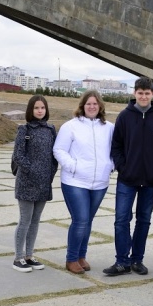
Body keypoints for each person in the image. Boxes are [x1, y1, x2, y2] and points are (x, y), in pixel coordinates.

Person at [105, 77, 153, 277]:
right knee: (121, 219)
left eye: (147, 93)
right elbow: (116, 146)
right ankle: (121, 261)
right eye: (140, 93)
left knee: (144, 220)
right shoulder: (125, 116)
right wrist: (123, 167)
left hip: (150, 181)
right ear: (135, 93)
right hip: (127, 179)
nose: (143, 96)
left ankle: (137, 260)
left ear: (152, 94)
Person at [53, 90, 114, 274]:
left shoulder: (109, 127)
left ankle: (81, 256)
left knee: (88, 221)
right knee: (80, 220)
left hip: (100, 183)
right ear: (83, 106)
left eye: (95, 104)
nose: (92, 107)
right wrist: (73, 166)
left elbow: (116, 149)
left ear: (100, 106)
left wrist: (110, 165)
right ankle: (71, 259)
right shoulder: (70, 126)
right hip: (75, 181)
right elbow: (59, 150)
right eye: (88, 104)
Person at [11, 95, 58, 273]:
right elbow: (18, 156)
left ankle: (29, 255)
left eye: (43, 108)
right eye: (36, 108)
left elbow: (54, 155)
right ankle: (18, 257)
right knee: (25, 220)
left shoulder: (51, 129)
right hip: (27, 182)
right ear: (30, 110)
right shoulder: (24, 130)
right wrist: (32, 170)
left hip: (44, 182)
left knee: (36, 221)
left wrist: (51, 172)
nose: (40, 111)